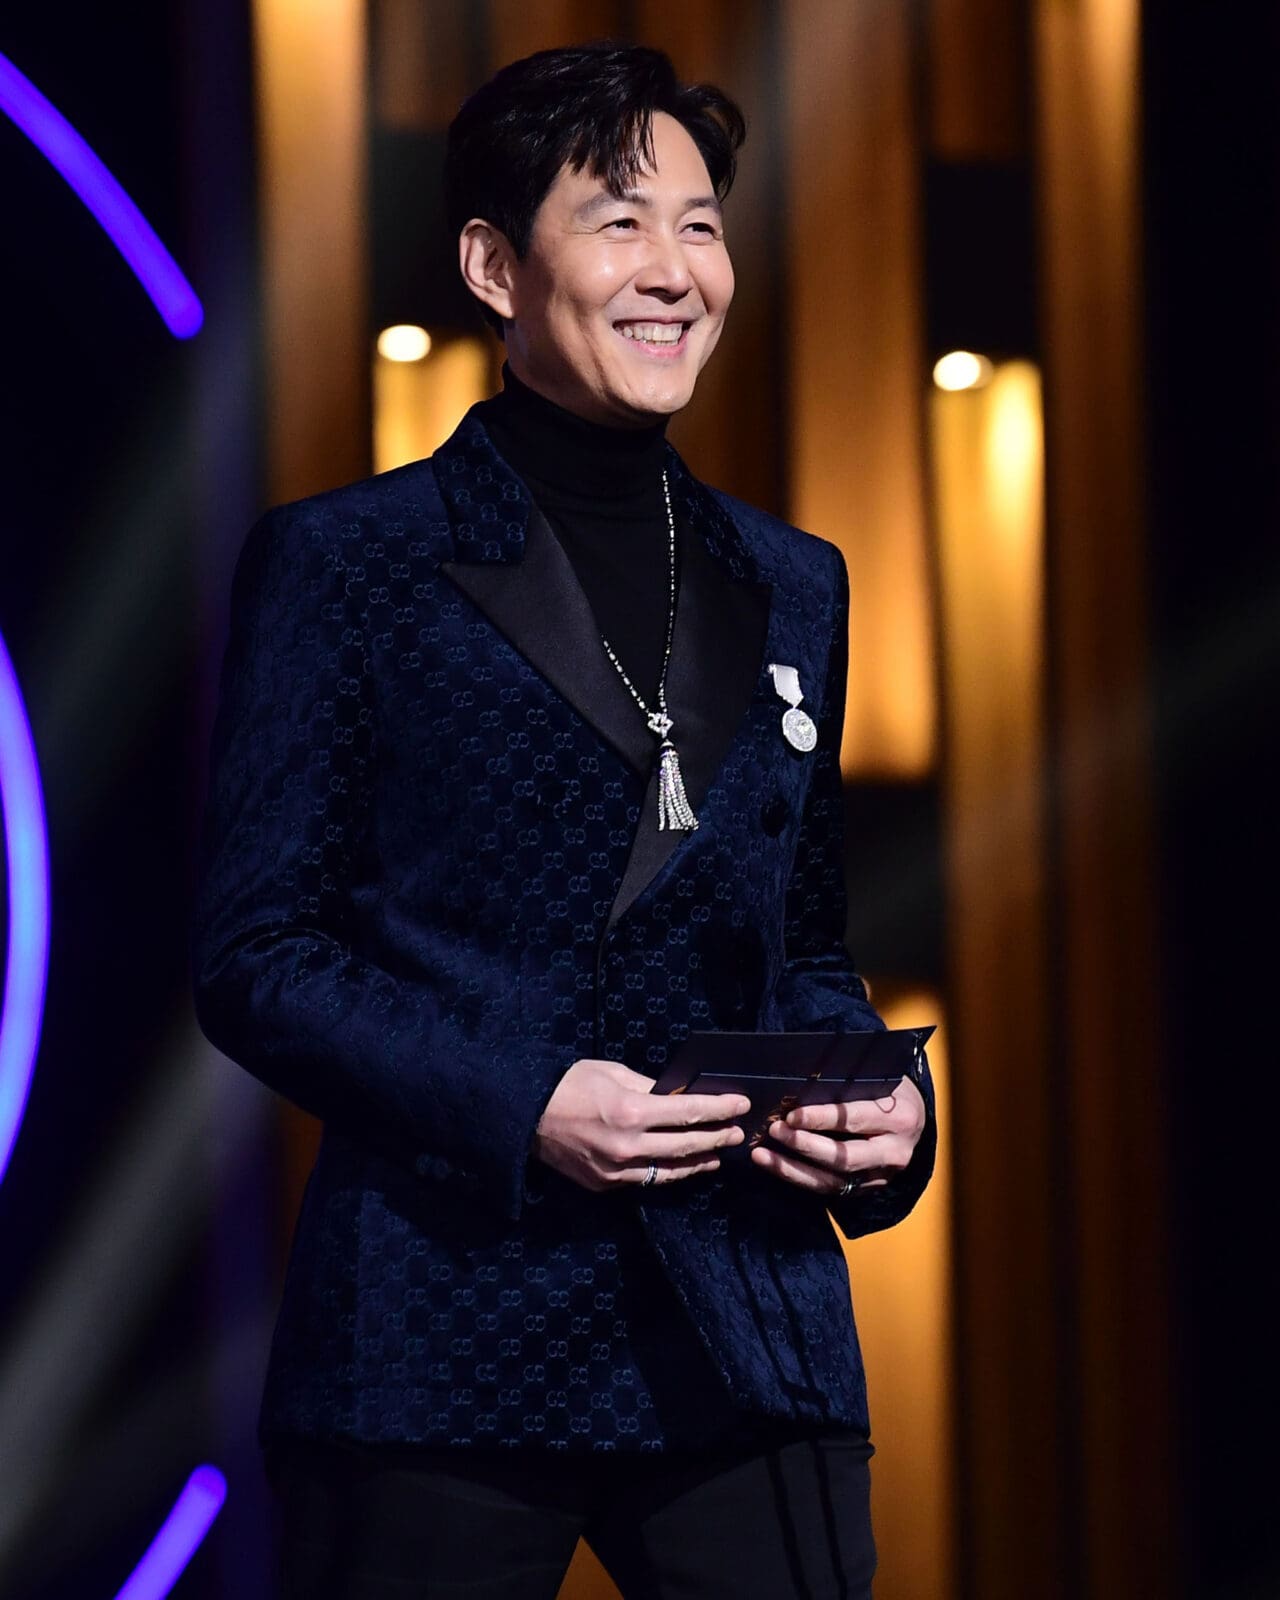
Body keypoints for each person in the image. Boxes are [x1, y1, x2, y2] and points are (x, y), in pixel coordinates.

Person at [191, 40, 936, 1600]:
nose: (675, 270)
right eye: (618, 221)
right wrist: (526, 1097)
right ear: (493, 267)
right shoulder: (352, 565)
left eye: (701, 225)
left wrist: (880, 1118)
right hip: (442, 1336)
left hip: (748, 1330)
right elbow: (259, 957)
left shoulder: (792, 581)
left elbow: (802, 947)